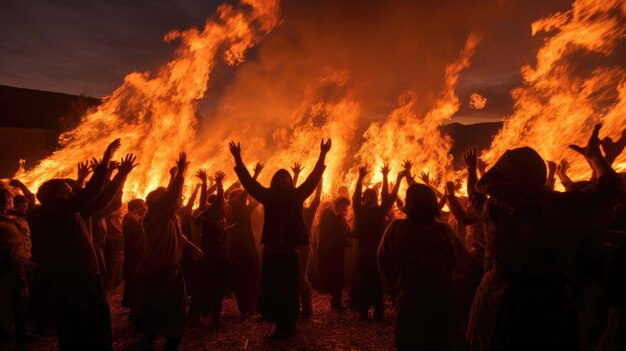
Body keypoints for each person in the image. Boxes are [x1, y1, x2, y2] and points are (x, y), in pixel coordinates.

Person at [466, 125, 624, 351]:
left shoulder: (494, 209)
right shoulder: (562, 206)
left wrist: (471, 169)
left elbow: (473, 194)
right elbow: (612, 188)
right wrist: (595, 157)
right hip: (553, 305)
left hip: (501, 303)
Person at [29, 139, 134, 350]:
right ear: (55, 197)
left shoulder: (66, 213)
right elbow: (91, 192)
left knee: (88, 325)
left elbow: (99, 200)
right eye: (66, 191)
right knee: (85, 327)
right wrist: (105, 159)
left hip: (81, 278)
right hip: (76, 280)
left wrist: (121, 176)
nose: (72, 193)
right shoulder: (55, 213)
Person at [229, 138, 330, 339]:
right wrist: (238, 160)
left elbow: (313, 178)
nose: (284, 181)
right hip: (273, 252)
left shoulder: (297, 195)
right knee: (274, 288)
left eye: (286, 179)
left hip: (289, 252)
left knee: (290, 290)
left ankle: (289, 325)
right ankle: (279, 323)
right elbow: (249, 183)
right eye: (280, 178)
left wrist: (323, 155)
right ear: (275, 181)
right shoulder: (268, 196)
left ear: (289, 182)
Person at [378, 183, 457, 350]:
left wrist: (392, 289)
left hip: (409, 298)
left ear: (410, 203)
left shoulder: (396, 228)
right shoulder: (445, 231)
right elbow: (461, 264)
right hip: (440, 299)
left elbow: (383, 261)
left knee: (409, 341)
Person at [136, 152, 202, 350]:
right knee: (157, 313)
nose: (173, 199)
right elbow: (170, 196)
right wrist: (181, 172)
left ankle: (165, 343)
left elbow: (179, 236)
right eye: (164, 198)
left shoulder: (172, 218)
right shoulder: (153, 217)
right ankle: (150, 340)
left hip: (173, 271)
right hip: (157, 273)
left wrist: (193, 247)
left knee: (176, 314)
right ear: (157, 204)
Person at [350, 163, 404, 321]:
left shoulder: (380, 211)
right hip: (363, 250)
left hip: (377, 249)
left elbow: (387, 198)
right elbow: (355, 196)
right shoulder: (359, 210)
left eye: (371, 197)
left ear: (375, 199)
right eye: (366, 197)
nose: (368, 199)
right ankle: (363, 310)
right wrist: (360, 178)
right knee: (363, 278)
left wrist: (386, 177)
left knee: (377, 280)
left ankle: (379, 310)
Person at [190, 171, 230, 328]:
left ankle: (207, 317)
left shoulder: (211, 214)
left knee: (208, 287)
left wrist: (206, 183)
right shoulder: (212, 213)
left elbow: (203, 200)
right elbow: (215, 200)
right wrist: (219, 184)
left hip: (212, 256)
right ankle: (208, 318)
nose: (227, 206)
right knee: (212, 288)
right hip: (212, 257)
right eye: (225, 204)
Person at [0, 187, 38, 343]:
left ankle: (24, 332)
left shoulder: (17, 216)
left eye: (7, 198)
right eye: (1, 199)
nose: (4, 201)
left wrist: (20, 185)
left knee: (24, 298)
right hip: (5, 265)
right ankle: (9, 335)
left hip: (24, 263)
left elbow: (31, 198)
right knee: (7, 300)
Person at [226, 163, 263, 315]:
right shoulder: (235, 209)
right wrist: (254, 175)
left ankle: (248, 306)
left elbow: (256, 200)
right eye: (236, 196)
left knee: (249, 277)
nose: (239, 197)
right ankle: (247, 306)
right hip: (241, 249)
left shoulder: (241, 210)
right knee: (245, 277)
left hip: (243, 249)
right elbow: (246, 194)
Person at [314, 196, 351, 310]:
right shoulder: (329, 214)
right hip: (330, 251)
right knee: (336, 278)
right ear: (339, 204)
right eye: (344, 206)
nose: (345, 209)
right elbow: (332, 234)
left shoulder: (336, 214)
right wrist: (347, 242)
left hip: (334, 251)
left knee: (337, 278)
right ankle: (336, 302)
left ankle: (336, 301)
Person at [122, 198, 147, 323]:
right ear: (136, 207)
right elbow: (139, 239)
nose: (145, 207)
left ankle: (137, 312)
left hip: (134, 256)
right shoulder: (132, 218)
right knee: (135, 283)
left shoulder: (131, 217)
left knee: (135, 284)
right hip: (135, 256)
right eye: (143, 205)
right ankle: (136, 315)